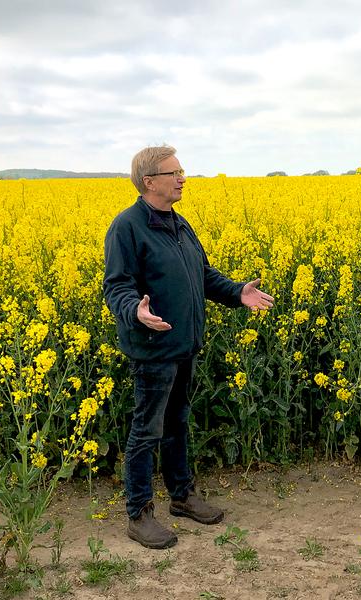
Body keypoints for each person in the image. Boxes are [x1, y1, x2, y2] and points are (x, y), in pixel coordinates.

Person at [103, 145, 274, 549]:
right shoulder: (127, 227)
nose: (182, 178)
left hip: (184, 345)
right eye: (173, 172)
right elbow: (117, 287)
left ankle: (181, 496)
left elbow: (202, 274)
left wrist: (237, 293)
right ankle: (139, 513)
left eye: (182, 171)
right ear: (149, 182)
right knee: (147, 430)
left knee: (177, 424)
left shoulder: (179, 224)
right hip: (152, 347)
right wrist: (135, 311)